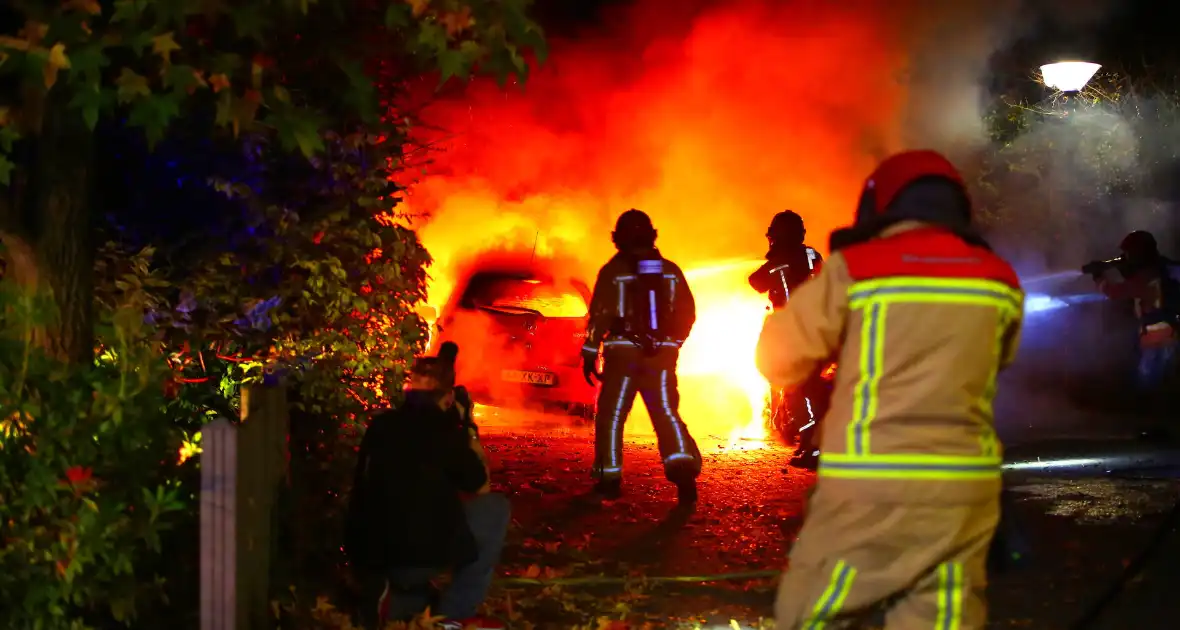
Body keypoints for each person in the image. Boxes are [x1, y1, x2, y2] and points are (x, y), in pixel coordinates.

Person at [756, 150, 1024, 629]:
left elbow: (778, 361)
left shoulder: (857, 268)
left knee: (817, 608)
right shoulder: (997, 277)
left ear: (880, 205)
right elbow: (999, 360)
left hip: (870, 483)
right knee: (942, 613)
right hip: (965, 487)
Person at [345, 342, 510, 630]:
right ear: (447, 398)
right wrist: (466, 429)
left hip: (370, 553)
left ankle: (393, 597)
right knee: (495, 508)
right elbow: (478, 483)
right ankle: (453, 614)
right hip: (420, 556)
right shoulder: (446, 431)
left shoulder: (380, 426)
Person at [581, 208, 702, 503]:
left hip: (622, 357)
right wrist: (671, 344)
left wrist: (589, 352)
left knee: (611, 417)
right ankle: (684, 476)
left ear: (618, 238)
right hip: (660, 358)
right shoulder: (670, 271)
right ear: (652, 235)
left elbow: (599, 315)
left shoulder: (613, 271)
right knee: (665, 415)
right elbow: (688, 313)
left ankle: (609, 481)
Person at [749, 210, 828, 470]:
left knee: (796, 390)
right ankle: (811, 443)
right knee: (809, 387)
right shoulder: (812, 254)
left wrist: (773, 258)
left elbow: (755, 282)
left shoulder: (779, 260)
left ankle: (813, 446)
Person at [1083, 230, 1180, 438]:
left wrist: (1099, 277)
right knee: (1163, 384)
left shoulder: (1146, 275)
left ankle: (1155, 432)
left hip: (1155, 339)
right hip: (1169, 335)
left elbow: (1115, 292)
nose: (1126, 257)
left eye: (1129, 253)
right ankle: (1163, 429)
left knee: (1148, 387)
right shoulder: (1161, 268)